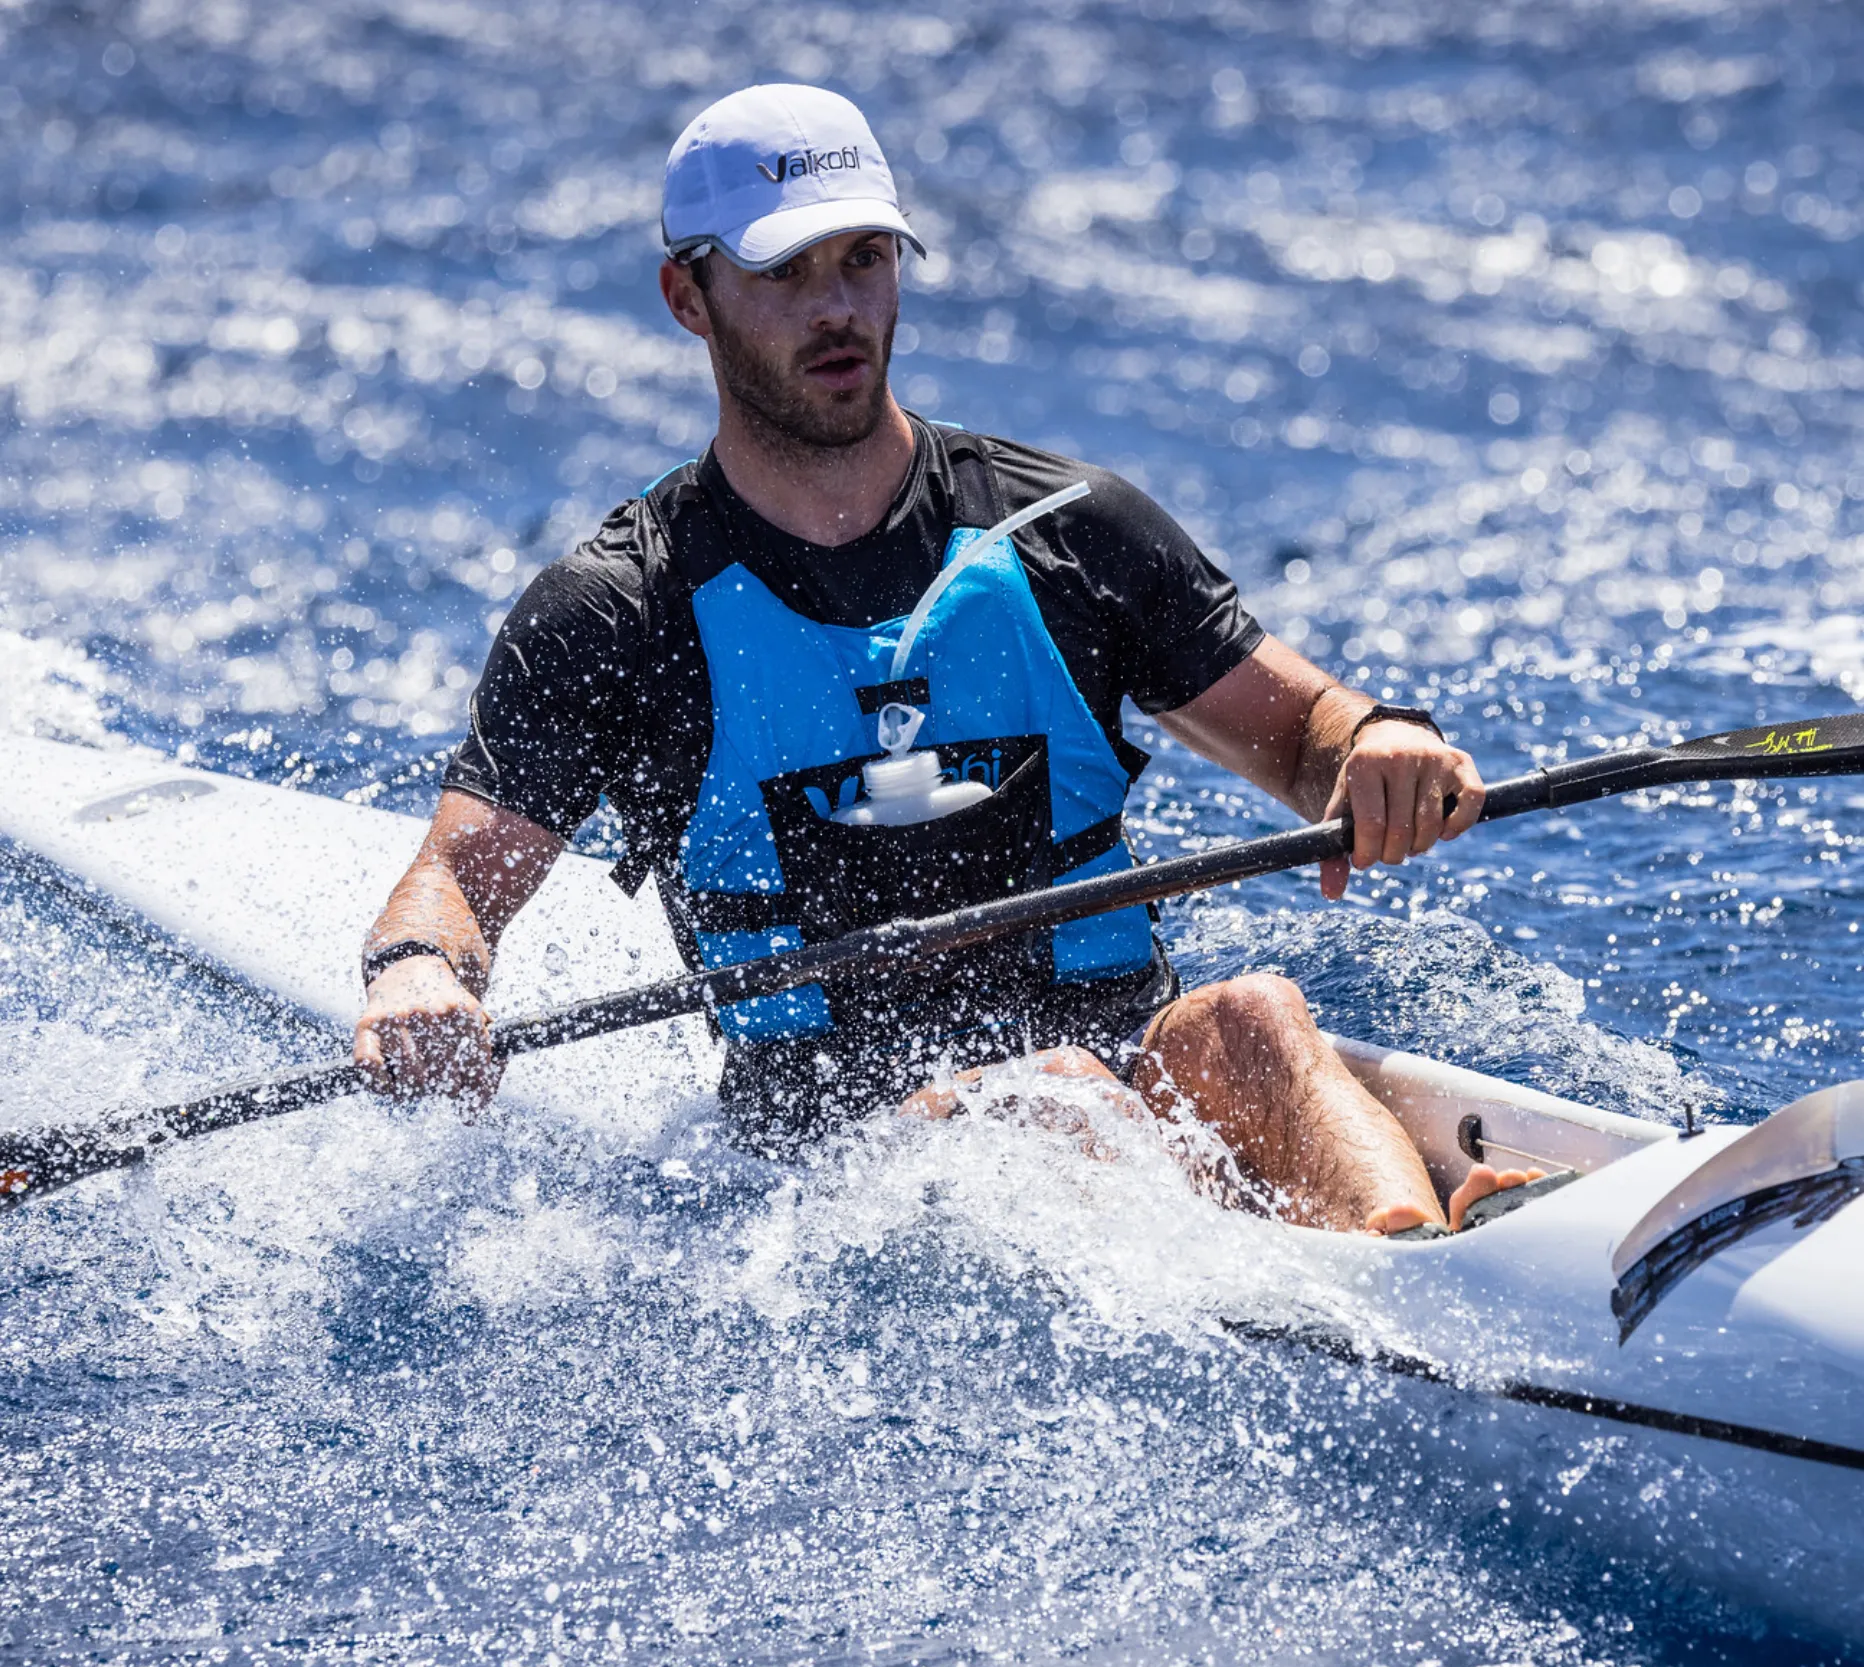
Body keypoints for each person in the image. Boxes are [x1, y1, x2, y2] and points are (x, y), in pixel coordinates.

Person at [354, 84, 1537, 1235]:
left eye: (864, 259)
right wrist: (417, 973)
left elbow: (1314, 745)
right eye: (783, 273)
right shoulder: (619, 609)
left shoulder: (1067, 531)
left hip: (1116, 1068)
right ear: (688, 296)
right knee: (1056, 1097)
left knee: (1255, 1019)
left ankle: (1409, 1260)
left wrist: (1380, 741)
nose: (837, 310)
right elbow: (454, 885)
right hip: (837, 1151)